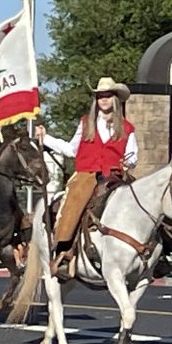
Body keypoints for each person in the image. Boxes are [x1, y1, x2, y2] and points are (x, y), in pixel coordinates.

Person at [36, 77, 137, 279]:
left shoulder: (126, 128)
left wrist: (129, 162)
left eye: (108, 96)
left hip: (114, 175)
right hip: (87, 173)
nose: (104, 99)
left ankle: (154, 253)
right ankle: (64, 250)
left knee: (141, 200)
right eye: (100, 96)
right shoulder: (85, 123)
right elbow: (71, 149)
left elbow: (133, 154)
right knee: (76, 200)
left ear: (115, 99)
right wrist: (45, 138)